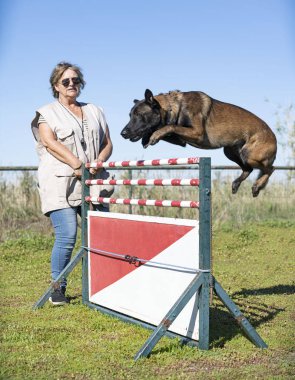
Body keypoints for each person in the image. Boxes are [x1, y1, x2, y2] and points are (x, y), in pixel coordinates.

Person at [31, 62, 113, 306]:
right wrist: (76, 163)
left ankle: (100, 286)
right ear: (56, 85)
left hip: (93, 181)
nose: (71, 84)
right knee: (67, 234)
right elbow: (49, 142)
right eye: (65, 81)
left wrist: (100, 159)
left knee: (100, 234)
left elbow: (107, 142)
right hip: (60, 183)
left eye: (75, 80)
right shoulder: (46, 112)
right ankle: (58, 290)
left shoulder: (96, 110)